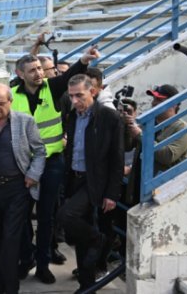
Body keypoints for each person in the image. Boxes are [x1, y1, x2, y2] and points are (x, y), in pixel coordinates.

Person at [12, 45, 100, 284]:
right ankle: (26, 258)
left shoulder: (52, 88)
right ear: (20, 74)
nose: (38, 73)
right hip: (24, 165)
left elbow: (69, 75)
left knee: (46, 216)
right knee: (20, 216)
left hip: (52, 163)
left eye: (40, 68)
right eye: (32, 70)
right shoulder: (13, 93)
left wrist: (83, 61)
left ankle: (43, 264)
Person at [0, 83, 46, 294]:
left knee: (10, 240)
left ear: (10, 102)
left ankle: (11, 287)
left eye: (1, 104)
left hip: (17, 188)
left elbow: (40, 151)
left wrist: (32, 175)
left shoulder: (25, 122)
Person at [57, 74, 124, 291]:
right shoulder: (72, 116)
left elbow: (117, 158)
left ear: (92, 92)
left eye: (80, 95)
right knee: (78, 235)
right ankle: (86, 285)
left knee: (66, 215)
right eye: (72, 96)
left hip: (93, 181)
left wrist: (112, 194)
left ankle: (99, 239)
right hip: (73, 179)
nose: (75, 101)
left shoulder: (109, 118)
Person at [128, 84, 187, 174]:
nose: (153, 103)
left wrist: (140, 135)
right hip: (138, 178)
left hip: (161, 184)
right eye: (154, 99)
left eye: (159, 100)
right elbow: (128, 146)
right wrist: (128, 124)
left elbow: (168, 157)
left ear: (174, 104)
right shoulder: (148, 123)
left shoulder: (182, 128)